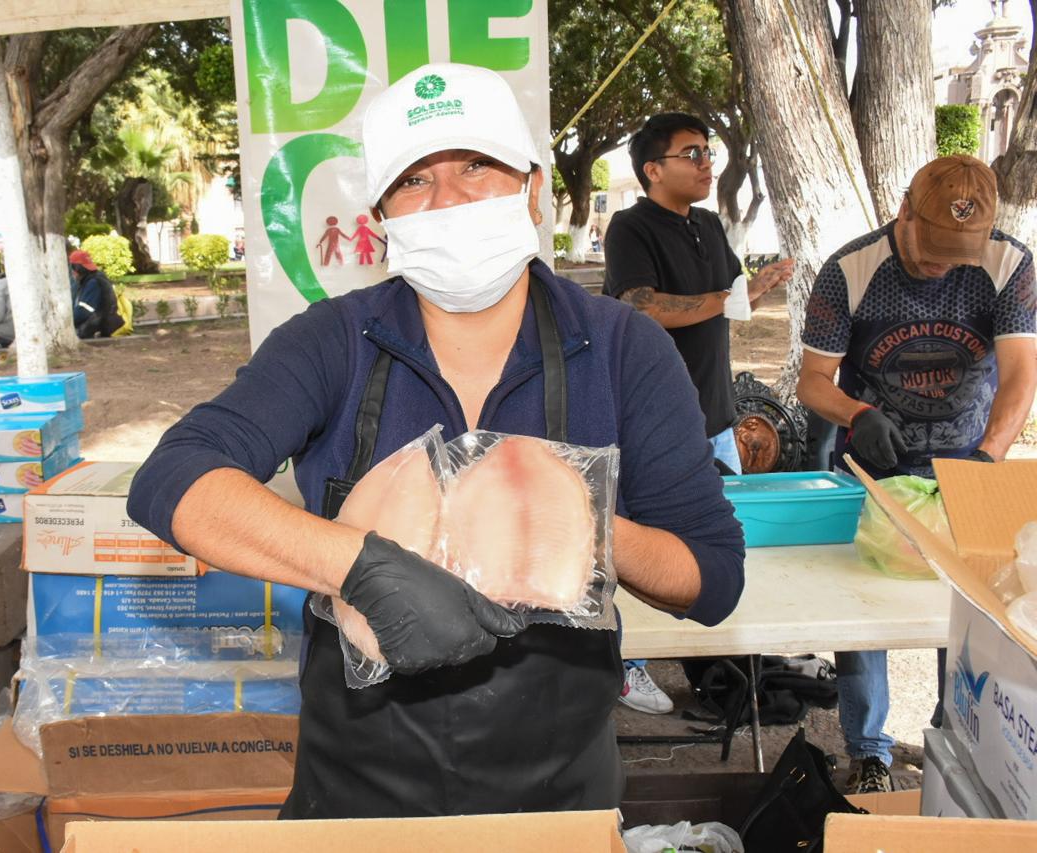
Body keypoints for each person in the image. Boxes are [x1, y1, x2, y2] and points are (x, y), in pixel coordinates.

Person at [126, 63, 744, 819]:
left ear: (534, 186)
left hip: (554, 805)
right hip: (356, 802)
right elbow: (173, 479)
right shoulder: (333, 343)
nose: (447, 200)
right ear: (382, 216)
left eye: (477, 166)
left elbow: (712, 577)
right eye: (414, 182)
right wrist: (358, 564)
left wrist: (575, 533)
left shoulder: (622, 350)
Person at [796, 154, 1036, 794]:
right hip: (878, 465)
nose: (941, 264)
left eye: (957, 254)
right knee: (864, 605)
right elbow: (812, 381)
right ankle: (868, 750)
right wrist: (857, 412)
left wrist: (987, 461)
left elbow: (1020, 375)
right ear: (904, 210)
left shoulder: (1009, 264)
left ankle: (948, 735)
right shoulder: (851, 268)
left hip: (968, 456)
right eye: (932, 248)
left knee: (963, 608)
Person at [603, 112, 795, 714]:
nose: (707, 162)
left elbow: (728, 302)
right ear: (653, 170)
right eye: (692, 153)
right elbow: (641, 306)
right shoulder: (629, 227)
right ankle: (626, 663)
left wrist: (754, 290)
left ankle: (719, 670)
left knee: (710, 554)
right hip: (649, 423)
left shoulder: (710, 225)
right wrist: (728, 297)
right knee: (634, 549)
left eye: (708, 151)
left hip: (714, 414)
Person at [69, 250, 123, 339]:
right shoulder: (96, 278)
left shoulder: (93, 283)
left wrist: (67, 323)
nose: (72, 273)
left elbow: (83, 311)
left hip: (94, 328)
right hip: (101, 325)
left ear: (77, 269)